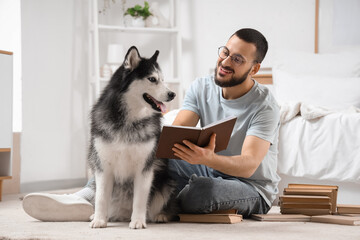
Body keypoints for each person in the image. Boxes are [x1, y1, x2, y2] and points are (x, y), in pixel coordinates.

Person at [23, 28, 280, 221]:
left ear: (254, 68)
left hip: (249, 187)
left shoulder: (264, 105)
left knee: (203, 192)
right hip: (204, 167)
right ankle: (83, 199)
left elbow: (248, 166)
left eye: (237, 59)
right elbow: (175, 136)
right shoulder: (202, 86)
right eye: (225, 52)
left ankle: (138, 204)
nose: (224, 62)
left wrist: (208, 159)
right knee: (154, 158)